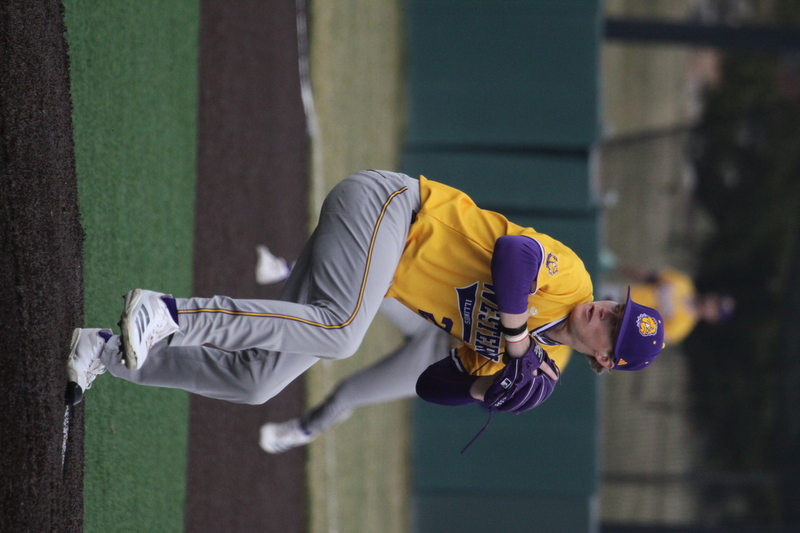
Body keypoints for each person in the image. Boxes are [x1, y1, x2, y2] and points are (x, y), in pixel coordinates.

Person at [66, 170, 666, 428]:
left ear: (604, 359)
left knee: (257, 385)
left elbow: (430, 385)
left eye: (616, 327)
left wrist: (486, 390)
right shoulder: (575, 282)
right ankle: (168, 312)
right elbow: (515, 259)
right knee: (343, 332)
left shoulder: (537, 369)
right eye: (621, 309)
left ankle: (106, 351)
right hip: (389, 208)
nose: (608, 313)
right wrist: (514, 341)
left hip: (370, 268)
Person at [599, 264, 735, 345]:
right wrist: (615, 265)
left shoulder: (682, 328)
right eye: (716, 300)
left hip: (618, 317)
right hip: (618, 293)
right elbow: (648, 276)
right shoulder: (684, 283)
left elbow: (644, 336)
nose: (712, 303)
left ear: (713, 318)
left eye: (716, 308)